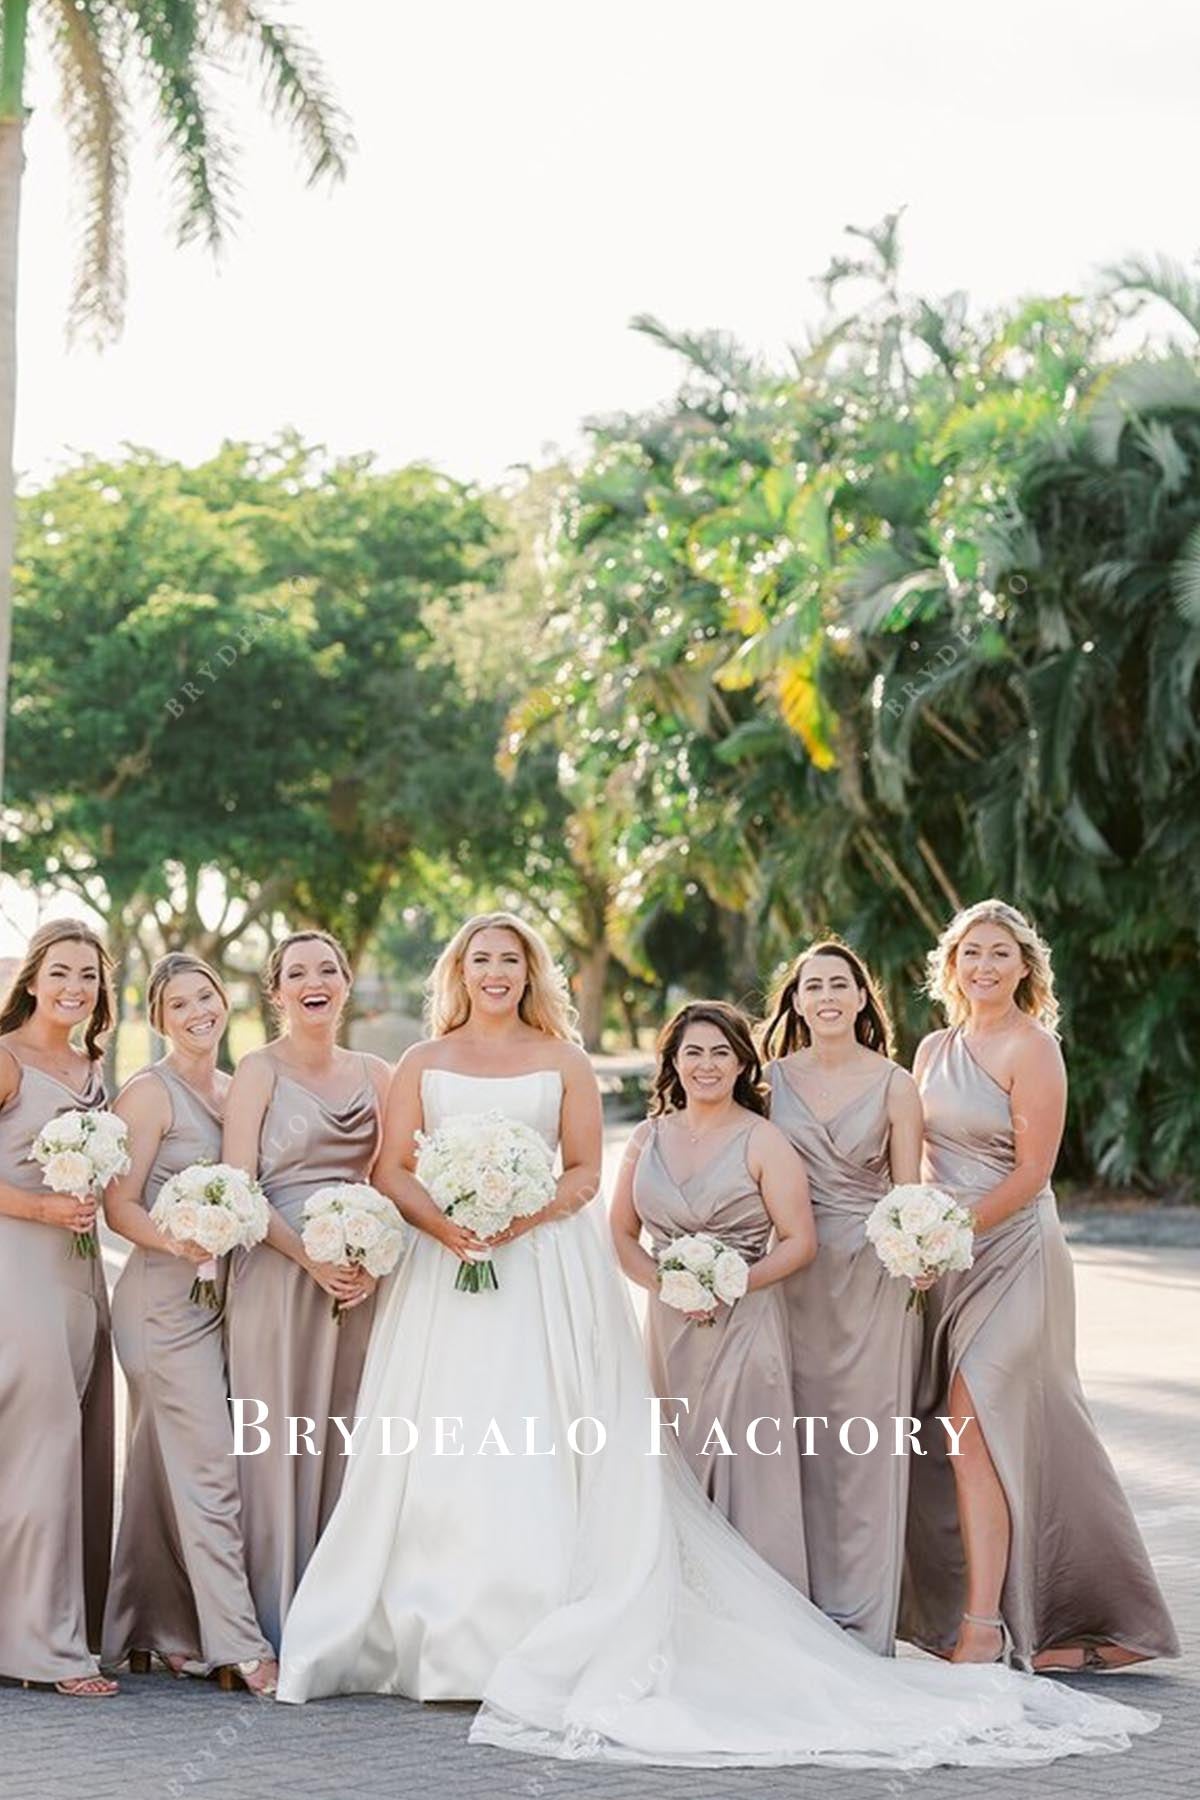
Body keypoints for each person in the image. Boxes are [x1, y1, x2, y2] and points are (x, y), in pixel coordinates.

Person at [275, 912, 1158, 1773]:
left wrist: (518, 1215)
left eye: (511, 958)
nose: (496, 972)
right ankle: (422, 1630)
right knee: (442, 1441)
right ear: (459, 974)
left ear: (531, 971)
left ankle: (536, 1622)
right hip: (445, 1270)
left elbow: (580, 1171)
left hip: (541, 1266)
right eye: (481, 960)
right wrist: (454, 1223)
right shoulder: (421, 1062)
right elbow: (391, 1168)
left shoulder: (565, 1060)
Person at [899, 899, 1179, 1672]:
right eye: (970, 954)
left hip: (1016, 1253)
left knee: (973, 1418)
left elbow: (1032, 1173)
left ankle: (985, 1625)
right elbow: (919, 1163)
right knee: (1015, 1435)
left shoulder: (1034, 1048)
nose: (984, 966)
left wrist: (949, 1233)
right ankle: (1065, 1616)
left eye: (999, 953)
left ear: (1025, 967)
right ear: (950, 968)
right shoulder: (930, 1050)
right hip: (945, 1263)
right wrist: (910, 1233)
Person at [101, 953, 276, 1691]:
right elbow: (120, 1206)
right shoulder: (148, 1094)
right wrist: (182, 1237)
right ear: (158, 1019)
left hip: (223, 1308)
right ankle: (238, 1645)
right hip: (161, 1307)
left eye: (207, 996)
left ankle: (151, 1625)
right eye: (179, 1005)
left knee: (158, 1469)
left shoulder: (238, 1090)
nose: (199, 1011)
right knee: (210, 1465)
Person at [223, 929, 390, 1651]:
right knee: (273, 1435)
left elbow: (394, 1179)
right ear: (278, 990)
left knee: (348, 1436)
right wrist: (309, 1258)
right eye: (297, 973)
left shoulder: (380, 1073)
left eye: (328, 969)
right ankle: (272, 1619)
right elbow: (239, 1188)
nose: (313, 982)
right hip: (277, 1271)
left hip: (358, 1280)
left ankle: (336, 1617)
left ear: (346, 985)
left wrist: (371, 1257)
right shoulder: (258, 1070)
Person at [611, 1000, 814, 1587]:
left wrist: (730, 1284)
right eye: (693, 1052)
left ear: (742, 1063)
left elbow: (801, 1241)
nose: (706, 1065)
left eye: (721, 1052)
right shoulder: (646, 1137)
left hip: (746, 1327)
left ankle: (755, 1608)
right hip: (668, 1330)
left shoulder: (763, 1140)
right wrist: (667, 1286)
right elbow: (621, 1234)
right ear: (672, 1061)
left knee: (744, 1467)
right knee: (675, 1463)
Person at [763, 939, 923, 1653]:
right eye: (812, 985)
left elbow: (910, 1191)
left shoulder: (895, 1084)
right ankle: (794, 1605)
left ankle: (864, 1621)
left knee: (866, 1445)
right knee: (792, 1439)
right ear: (795, 1002)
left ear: (863, 999)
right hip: (790, 1277)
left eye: (840, 984)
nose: (826, 996)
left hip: (871, 1275)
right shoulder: (767, 1083)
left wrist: (920, 1250)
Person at [0, 919, 117, 1697]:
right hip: (17, 1264)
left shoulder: (93, 1066)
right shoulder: (5, 1057)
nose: (76, 988)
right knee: (42, 1447)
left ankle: (39, 1628)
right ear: (33, 979)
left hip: (80, 1276)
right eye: (62, 972)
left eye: (90, 976)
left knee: (72, 1447)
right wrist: (42, 1212)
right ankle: (48, 1650)